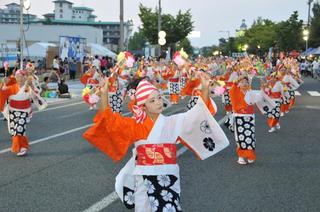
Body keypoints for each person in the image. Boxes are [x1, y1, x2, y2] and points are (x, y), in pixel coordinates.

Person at [83, 73, 229, 211]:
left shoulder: (172, 122)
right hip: (143, 176)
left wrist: (204, 88)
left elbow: (197, 114)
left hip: (168, 176)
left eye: (159, 98)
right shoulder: (135, 124)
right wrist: (103, 95)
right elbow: (109, 122)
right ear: (142, 106)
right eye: (152, 101)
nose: (158, 102)